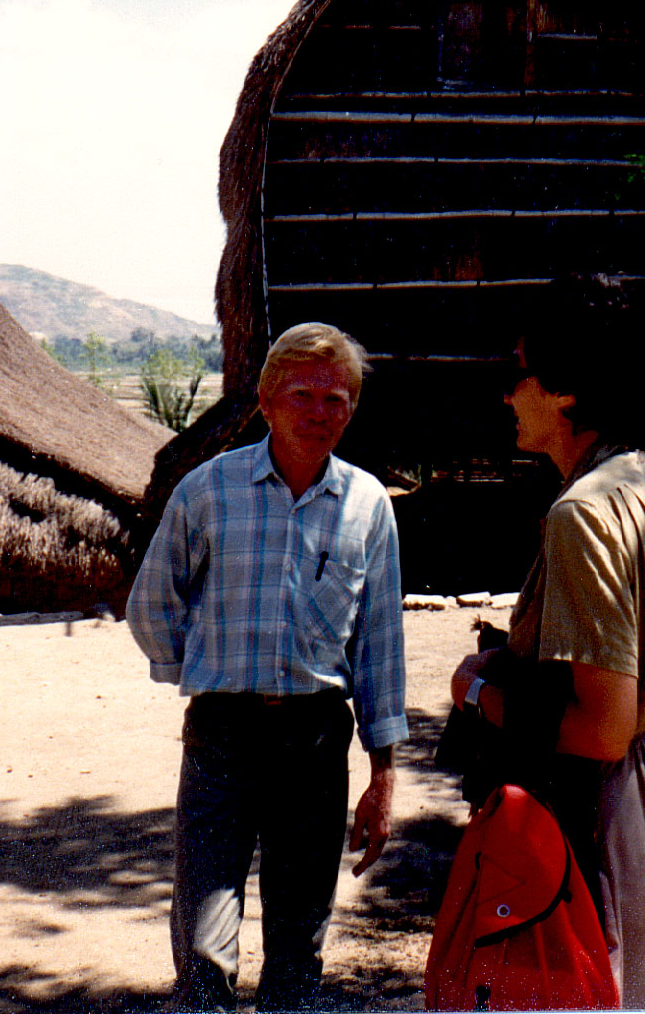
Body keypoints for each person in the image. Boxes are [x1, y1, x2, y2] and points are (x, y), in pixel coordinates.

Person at [126, 322, 408, 1013]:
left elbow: (379, 646)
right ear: (266, 401)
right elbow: (152, 600)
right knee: (201, 949)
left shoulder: (368, 506)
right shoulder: (208, 490)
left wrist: (383, 777)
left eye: (337, 399)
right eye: (303, 395)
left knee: (296, 952)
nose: (319, 413)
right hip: (222, 738)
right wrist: (202, 668)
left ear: (353, 408)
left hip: (315, 744)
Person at [448, 276, 645, 1009]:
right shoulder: (644, 491)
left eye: (517, 371)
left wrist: (477, 690)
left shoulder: (579, 514)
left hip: (593, 810)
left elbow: (600, 729)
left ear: (564, 391)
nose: (506, 395)